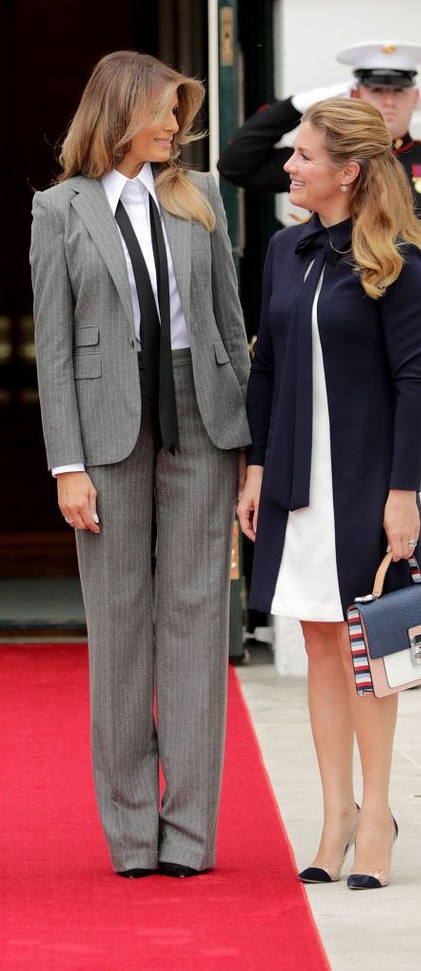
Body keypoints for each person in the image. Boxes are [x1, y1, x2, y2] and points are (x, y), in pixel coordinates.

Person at [30, 51, 251, 879]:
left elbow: (230, 329)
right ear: (120, 113)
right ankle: (131, 837)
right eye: (163, 113)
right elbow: (54, 351)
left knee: (196, 626)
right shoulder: (59, 210)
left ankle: (189, 836)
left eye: (178, 113)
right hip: (107, 430)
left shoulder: (198, 200)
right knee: (120, 631)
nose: (175, 127)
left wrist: (252, 453)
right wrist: (66, 464)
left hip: (201, 419)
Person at [236, 98, 421, 889]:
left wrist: (403, 492)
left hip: (364, 478)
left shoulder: (399, 260)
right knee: (318, 642)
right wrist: (254, 469)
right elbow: (268, 366)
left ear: (347, 172)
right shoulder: (286, 250)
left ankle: (378, 814)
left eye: (304, 158)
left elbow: (413, 383)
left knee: (368, 650)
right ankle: (335, 813)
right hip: (293, 478)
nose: (290, 167)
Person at [218, 40, 421, 523]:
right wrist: (302, 104)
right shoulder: (321, 165)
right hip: (334, 358)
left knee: (406, 506)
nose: (387, 101)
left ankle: (397, 598)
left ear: (414, 98)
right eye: (375, 90)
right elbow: (237, 163)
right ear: (356, 92)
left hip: (413, 357)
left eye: (397, 93)